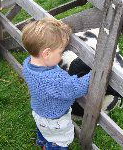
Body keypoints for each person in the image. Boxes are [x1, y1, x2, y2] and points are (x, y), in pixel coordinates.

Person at [22, 18, 91, 149]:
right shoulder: (54, 79)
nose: (61, 56)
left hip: (38, 111)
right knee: (59, 142)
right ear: (46, 53)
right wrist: (94, 75)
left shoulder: (28, 64)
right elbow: (77, 88)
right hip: (56, 120)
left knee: (42, 129)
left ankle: (41, 142)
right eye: (60, 52)